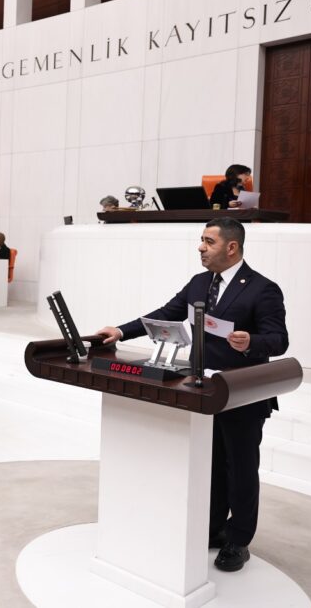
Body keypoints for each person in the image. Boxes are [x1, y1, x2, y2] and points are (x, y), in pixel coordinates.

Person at [96, 218, 288, 573]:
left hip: (242, 394)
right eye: (201, 240)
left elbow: (279, 340)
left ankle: (239, 540)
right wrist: (121, 331)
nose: (201, 247)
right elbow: (165, 314)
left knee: (241, 469)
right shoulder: (200, 283)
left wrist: (252, 341)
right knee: (211, 465)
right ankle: (213, 528)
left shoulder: (262, 289)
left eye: (208, 241)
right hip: (204, 391)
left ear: (232, 247)